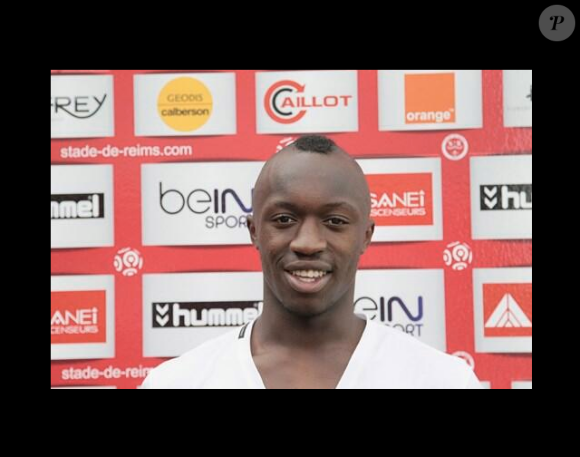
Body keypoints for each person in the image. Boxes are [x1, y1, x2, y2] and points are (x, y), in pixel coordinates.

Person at [142, 135, 481, 389]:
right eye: (284, 219)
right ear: (253, 231)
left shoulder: (442, 380)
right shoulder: (178, 382)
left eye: (334, 221)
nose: (308, 243)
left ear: (366, 236)